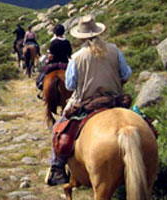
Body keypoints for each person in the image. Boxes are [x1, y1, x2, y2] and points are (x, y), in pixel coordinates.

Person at [46, 15, 132, 186]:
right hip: (114, 99)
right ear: (99, 33)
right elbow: (126, 74)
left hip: (86, 102)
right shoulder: (114, 50)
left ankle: (57, 167)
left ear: (82, 37)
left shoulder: (77, 57)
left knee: (58, 128)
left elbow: (70, 85)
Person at [35, 24, 72, 91]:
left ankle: (40, 83)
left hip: (54, 64)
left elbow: (51, 55)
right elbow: (69, 55)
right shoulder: (67, 42)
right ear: (63, 32)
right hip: (64, 64)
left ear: (55, 33)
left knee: (43, 72)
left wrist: (47, 61)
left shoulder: (54, 42)